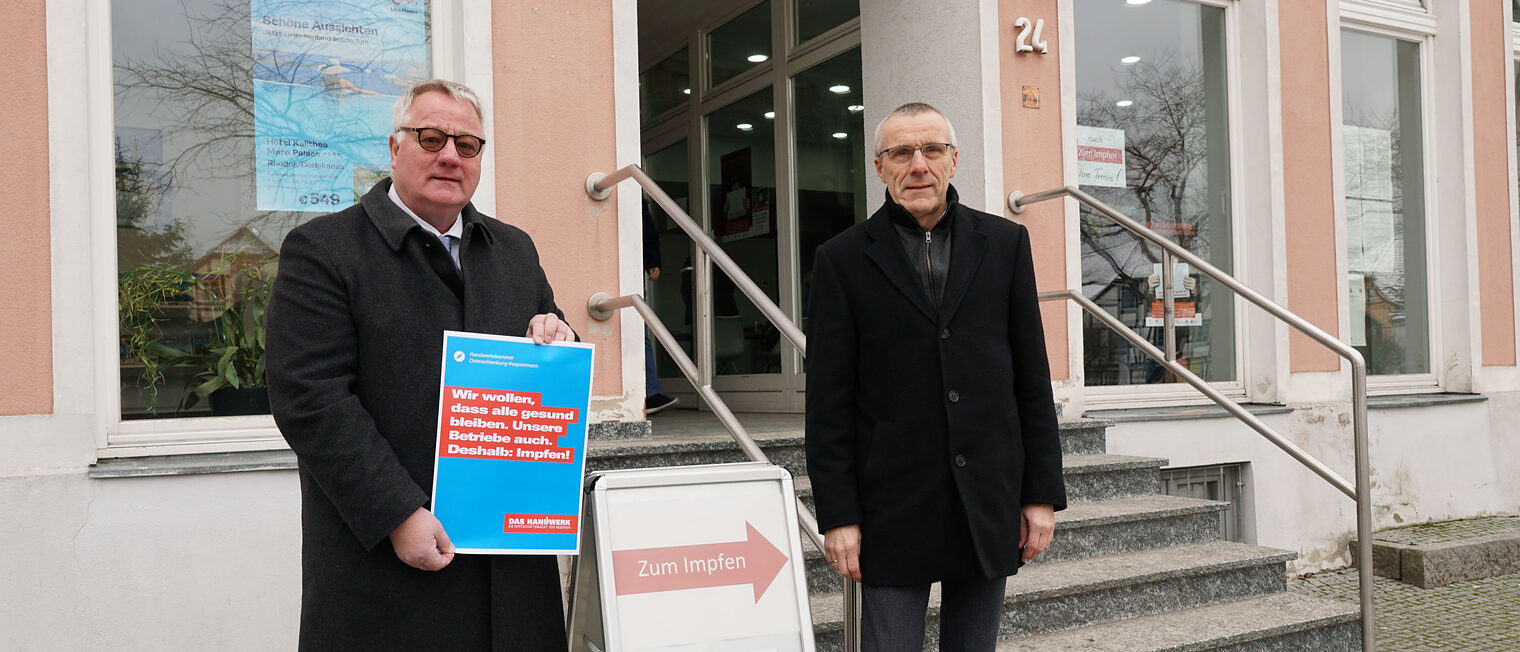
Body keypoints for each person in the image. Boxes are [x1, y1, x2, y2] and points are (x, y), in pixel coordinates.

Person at [266, 79, 574, 651]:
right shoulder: (324, 250)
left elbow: (549, 333)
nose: (450, 155)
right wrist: (396, 513)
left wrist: (556, 334)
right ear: (394, 147)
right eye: (431, 137)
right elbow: (310, 398)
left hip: (510, 570)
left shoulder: (514, 249)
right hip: (388, 572)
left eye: (468, 144)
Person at [804, 102, 1066, 651]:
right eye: (901, 152)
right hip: (890, 507)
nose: (917, 165)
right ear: (880, 167)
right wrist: (838, 515)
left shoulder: (1005, 244)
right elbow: (828, 402)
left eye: (932, 151)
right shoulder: (842, 259)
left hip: (986, 498)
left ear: (953, 160)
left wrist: (1040, 494)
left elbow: (1031, 378)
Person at [643, 202, 678, 414]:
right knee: (638, 332)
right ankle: (650, 393)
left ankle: (651, 393)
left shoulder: (634, 192)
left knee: (639, 332)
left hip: (632, 263)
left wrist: (653, 259)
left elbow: (646, 228)